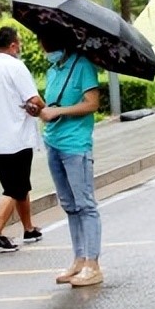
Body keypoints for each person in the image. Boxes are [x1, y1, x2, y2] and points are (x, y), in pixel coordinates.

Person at [35, 33, 104, 286]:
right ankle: (79, 258)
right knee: (69, 204)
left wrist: (59, 111)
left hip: (75, 144)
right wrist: (40, 109)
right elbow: (51, 105)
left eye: (47, 43)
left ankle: (93, 264)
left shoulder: (82, 65)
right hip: (52, 141)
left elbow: (92, 103)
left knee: (85, 204)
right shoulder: (54, 69)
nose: (45, 48)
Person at [0, 27, 44, 249]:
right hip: (17, 137)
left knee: (20, 185)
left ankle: (29, 229)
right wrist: (43, 109)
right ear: (13, 45)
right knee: (14, 187)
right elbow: (34, 99)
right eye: (19, 44)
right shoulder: (15, 66)